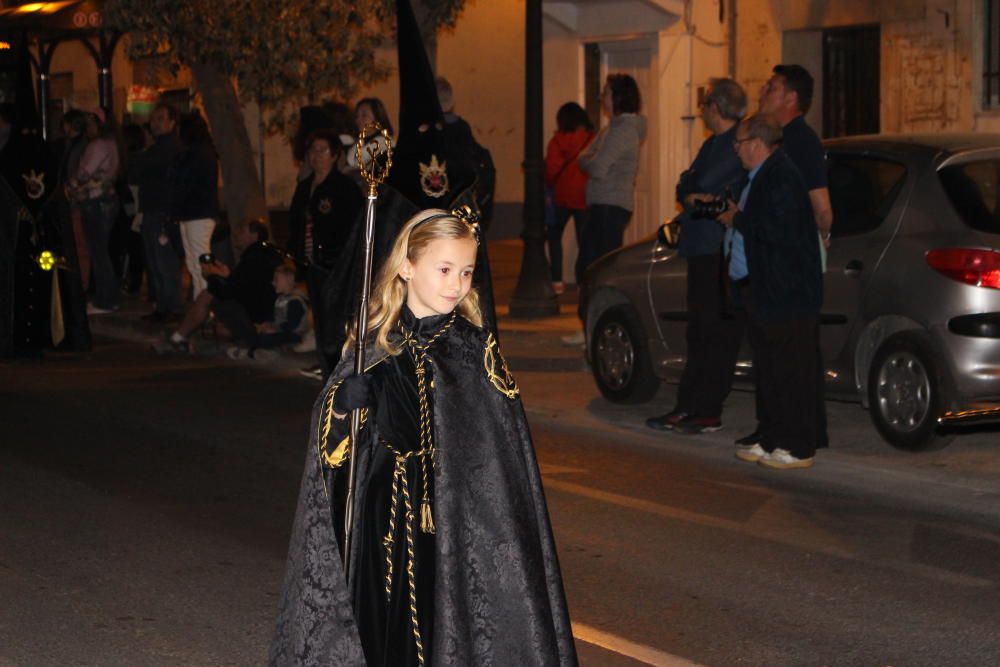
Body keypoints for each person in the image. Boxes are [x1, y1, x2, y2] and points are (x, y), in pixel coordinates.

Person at [270, 208, 578, 666]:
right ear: (407, 266)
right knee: (380, 630)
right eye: (445, 269)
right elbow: (332, 452)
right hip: (382, 520)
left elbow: (501, 460)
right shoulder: (374, 344)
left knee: (445, 629)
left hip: (453, 526)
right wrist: (345, 406)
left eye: (467, 272)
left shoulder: (474, 350)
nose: (456, 284)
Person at [717, 113, 824, 469]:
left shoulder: (781, 177)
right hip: (764, 290)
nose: (736, 149)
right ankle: (771, 436)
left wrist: (738, 220)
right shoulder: (760, 177)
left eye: (741, 142)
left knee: (791, 371)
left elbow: (777, 231)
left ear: (758, 144)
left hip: (786, 293)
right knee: (769, 371)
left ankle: (798, 445)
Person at [736, 63, 832, 449]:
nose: (763, 92)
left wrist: (816, 242)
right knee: (775, 360)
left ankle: (797, 437)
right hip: (774, 269)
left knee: (793, 360)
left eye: (772, 87)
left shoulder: (800, 144)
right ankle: (774, 429)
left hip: (790, 269)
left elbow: (821, 208)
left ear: (791, 98)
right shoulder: (775, 144)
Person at [646, 79, 747, 435]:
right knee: (699, 333)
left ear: (716, 108)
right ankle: (690, 406)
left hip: (718, 251)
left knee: (713, 333)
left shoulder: (735, 146)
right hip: (701, 247)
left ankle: (705, 409)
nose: (702, 110)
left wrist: (694, 192)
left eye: (705, 104)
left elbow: (703, 184)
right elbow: (687, 185)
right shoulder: (711, 145)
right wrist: (692, 193)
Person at [564, 73, 646, 345]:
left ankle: (597, 328)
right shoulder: (611, 128)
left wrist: (588, 161)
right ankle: (590, 324)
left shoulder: (624, 130)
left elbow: (595, 166)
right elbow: (584, 157)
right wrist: (588, 160)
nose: (602, 98)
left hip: (610, 205)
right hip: (600, 204)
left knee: (597, 268)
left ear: (619, 97)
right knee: (588, 266)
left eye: (607, 93)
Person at [287, 129, 364, 376]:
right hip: (312, 263)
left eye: (322, 150)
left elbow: (354, 225)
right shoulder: (305, 186)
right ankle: (325, 365)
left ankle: (340, 367)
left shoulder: (343, 187)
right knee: (320, 315)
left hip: (336, 264)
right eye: (313, 151)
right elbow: (295, 222)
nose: (316, 156)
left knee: (336, 317)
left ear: (334, 155)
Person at [156, 220, 283, 354]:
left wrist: (211, 276)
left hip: (256, 317)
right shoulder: (266, 252)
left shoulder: (255, 256)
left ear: (254, 234)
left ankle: (178, 338)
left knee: (208, 295)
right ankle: (194, 338)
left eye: (241, 230)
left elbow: (232, 292)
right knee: (221, 327)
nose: (236, 234)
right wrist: (227, 275)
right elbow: (246, 286)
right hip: (263, 314)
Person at [128, 102, 183, 322]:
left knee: (163, 261)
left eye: (161, 119)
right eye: (154, 119)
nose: (155, 123)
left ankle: (171, 306)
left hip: (162, 211)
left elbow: (144, 169)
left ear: (172, 122)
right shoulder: (156, 148)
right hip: (152, 209)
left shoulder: (170, 149)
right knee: (154, 261)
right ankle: (163, 305)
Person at [70, 108, 121, 315]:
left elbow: (84, 173)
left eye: (90, 124)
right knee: (101, 252)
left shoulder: (98, 145)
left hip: (95, 201)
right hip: (105, 200)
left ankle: (106, 300)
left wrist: (71, 183)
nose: (87, 129)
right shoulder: (112, 144)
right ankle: (107, 297)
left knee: (98, 252)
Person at [169, 110, 219, 301]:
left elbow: (185, 181)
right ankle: (201, 299)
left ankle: (205, 303)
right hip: (193, 213)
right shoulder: (201, 152)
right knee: (193, 261)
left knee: (199, 261)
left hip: (197, 214)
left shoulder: (198, 153)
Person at [544, 102, 593, 294]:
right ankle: (582, 280)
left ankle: (557, 280)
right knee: (584, 240)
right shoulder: (591, 139)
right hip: (583, 195)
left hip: (561, 196)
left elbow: (551, 170)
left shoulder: (556, 142)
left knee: (554, 237)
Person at [226, 264, 309, 360]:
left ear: (287, 281)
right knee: (257, 332)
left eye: (276, 280)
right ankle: (262, 351)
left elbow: (293, 325)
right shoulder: (281, 299)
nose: (273, 283)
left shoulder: (295, 301)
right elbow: (276, 318)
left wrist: (274, 328)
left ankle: (250, 352)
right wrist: (266, 325)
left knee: (266, 337)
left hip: (294, 336)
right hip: (283, 332)